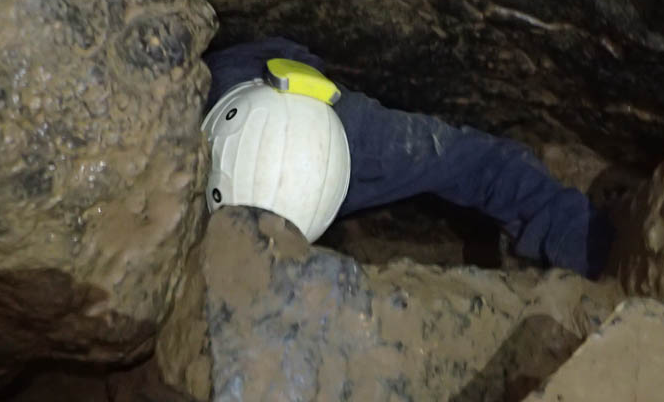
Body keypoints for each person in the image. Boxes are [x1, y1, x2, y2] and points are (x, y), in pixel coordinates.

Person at [201, 36, 614, 279]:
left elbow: (477, 162)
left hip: (290, 81)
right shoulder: (177, 159)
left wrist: (591, 246)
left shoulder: (359, 141)